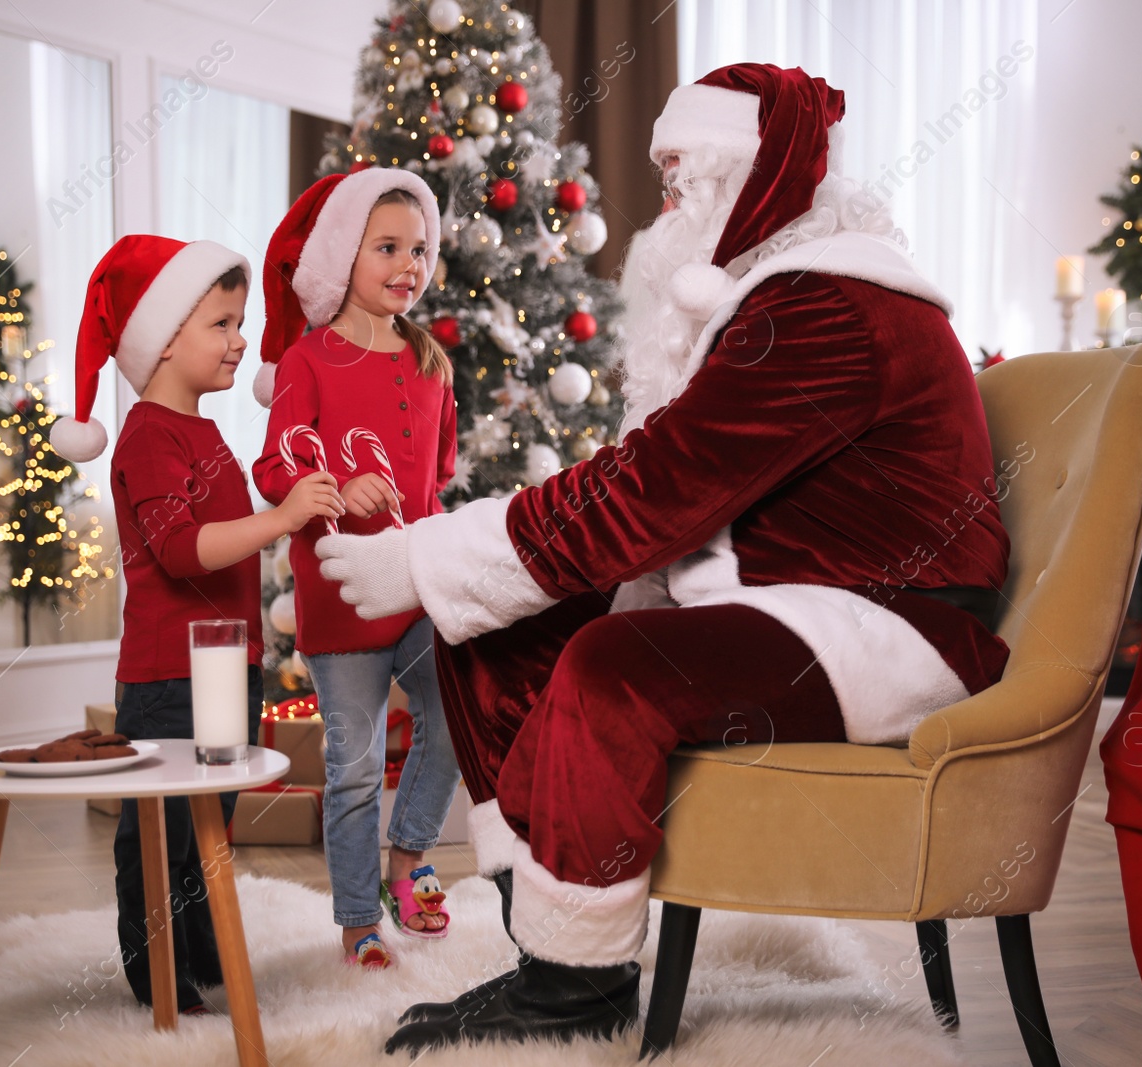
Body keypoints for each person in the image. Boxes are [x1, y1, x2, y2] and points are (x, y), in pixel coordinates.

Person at [314, 63, 1014, 1052]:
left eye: (688, 179)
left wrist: (421, 555)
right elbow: (656, 480)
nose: (670, 205)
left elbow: (653, 491)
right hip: (788, 600)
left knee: (613, 670)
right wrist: (450, 574)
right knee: (492, 631)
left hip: (887, 623)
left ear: (756, 180)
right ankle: (553, 949)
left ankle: (574, 994)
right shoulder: (776, 302)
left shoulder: (828, 308)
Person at [49, 234, 343, 1014]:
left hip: (225, 662)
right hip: (167, 673)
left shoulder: (208, 433)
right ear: (165, 337)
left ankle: (201, 947)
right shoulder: (149, 435)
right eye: (221, 323)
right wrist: (278, 517)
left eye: (241, 321)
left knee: (211, 821)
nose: (241, 339)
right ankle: (155, 972)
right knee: (160, 830)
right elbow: (182, 551)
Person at [251, 168, 463, 970]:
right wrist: (336, 487)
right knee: (353, 767)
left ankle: (409, 859)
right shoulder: (308, 361)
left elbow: (436, 481)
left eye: (418, 249)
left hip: (415, 587)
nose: (408, 264)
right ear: (344, 255)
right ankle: (356, 922)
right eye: (387, 247)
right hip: (340, 598)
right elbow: (274, 469)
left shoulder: (431, 364)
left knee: (457, 712)